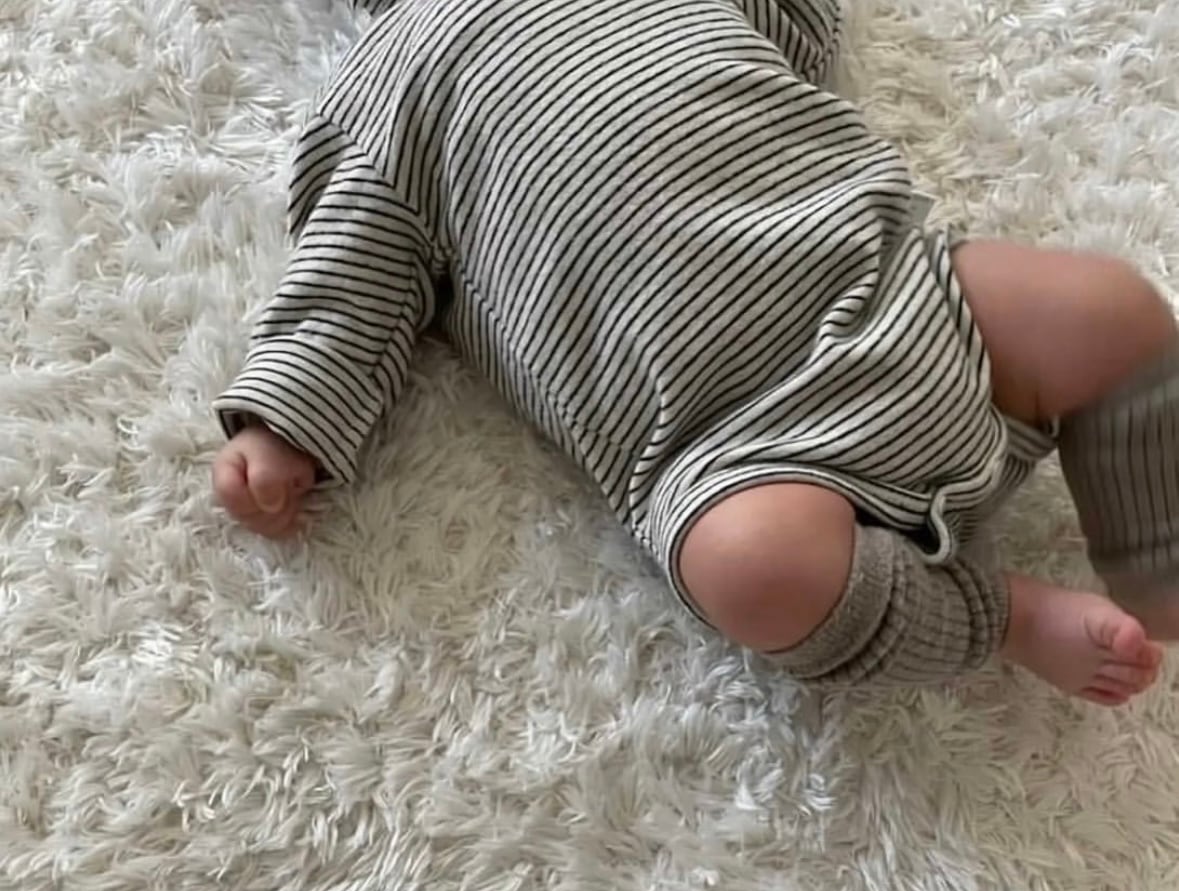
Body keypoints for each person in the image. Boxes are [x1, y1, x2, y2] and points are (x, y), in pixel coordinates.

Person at [212, 0, 1179, 706]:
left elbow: (796, 31)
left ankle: (1159, 558)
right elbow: (347, 281)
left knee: (1107, 309)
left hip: (897, 288)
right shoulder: (382, 93)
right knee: (754, 571)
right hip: (731, 444)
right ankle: (1003, 617)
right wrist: (283, 425)